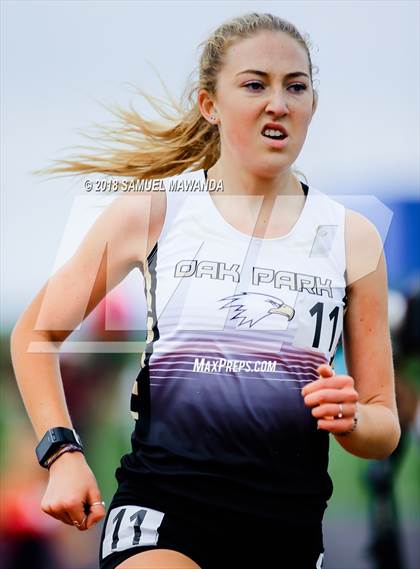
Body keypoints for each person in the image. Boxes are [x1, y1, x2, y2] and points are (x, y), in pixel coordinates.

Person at [10, 12, 401, 569]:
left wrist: (354, 419)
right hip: (165, 510)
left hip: (286, 528)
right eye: (254, 84)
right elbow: (35, 333)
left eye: (296, 86)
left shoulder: (352, 238)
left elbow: (383, 423)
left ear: (313, 103)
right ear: (209, 105)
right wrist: (61, 452)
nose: (278, 102)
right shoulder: (154, 213)